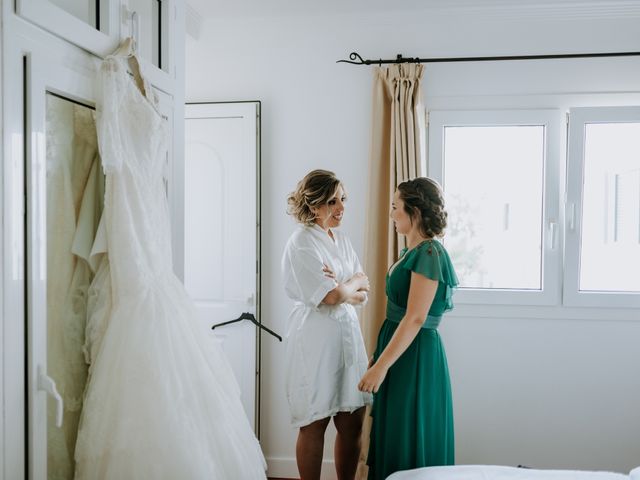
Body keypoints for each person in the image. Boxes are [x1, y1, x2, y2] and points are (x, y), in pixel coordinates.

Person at [358, 177, 458, 480]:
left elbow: (415, 317)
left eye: (394, 207)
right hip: (399, 349)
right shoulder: (411, 252)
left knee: (410, 430)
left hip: (415, 356)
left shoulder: (430, 253)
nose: (391, 214)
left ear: (413, 211)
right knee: (397, 429)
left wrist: (381, 367)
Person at [281, 169, 373, 480]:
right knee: (315, 419)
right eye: (332, 201)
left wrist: (346, 287)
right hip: (315, 338)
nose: (341, 208)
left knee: (352, 418)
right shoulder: (302, 242)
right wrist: (348, 286)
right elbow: (331, 297)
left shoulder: (342, 240)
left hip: (347, 334)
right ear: (313, 204)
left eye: (342, 199)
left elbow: (363, 291)